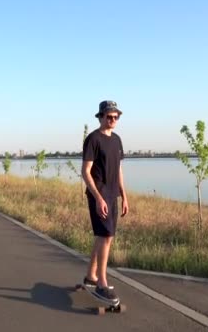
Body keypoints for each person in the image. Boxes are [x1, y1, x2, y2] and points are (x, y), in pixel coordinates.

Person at [81, 100, 129, 304]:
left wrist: (124, 196)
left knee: (104, 236)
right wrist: (98, 197)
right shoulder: (93, 139)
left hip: (112, 195)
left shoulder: (117, 140)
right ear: (100, 117)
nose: (112, 120)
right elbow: (85, 171)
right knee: (106, 236)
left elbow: (118, 170)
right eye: (109, 116)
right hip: (98, 194)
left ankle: (91, 276)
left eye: (116, 116)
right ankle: (101, 282)